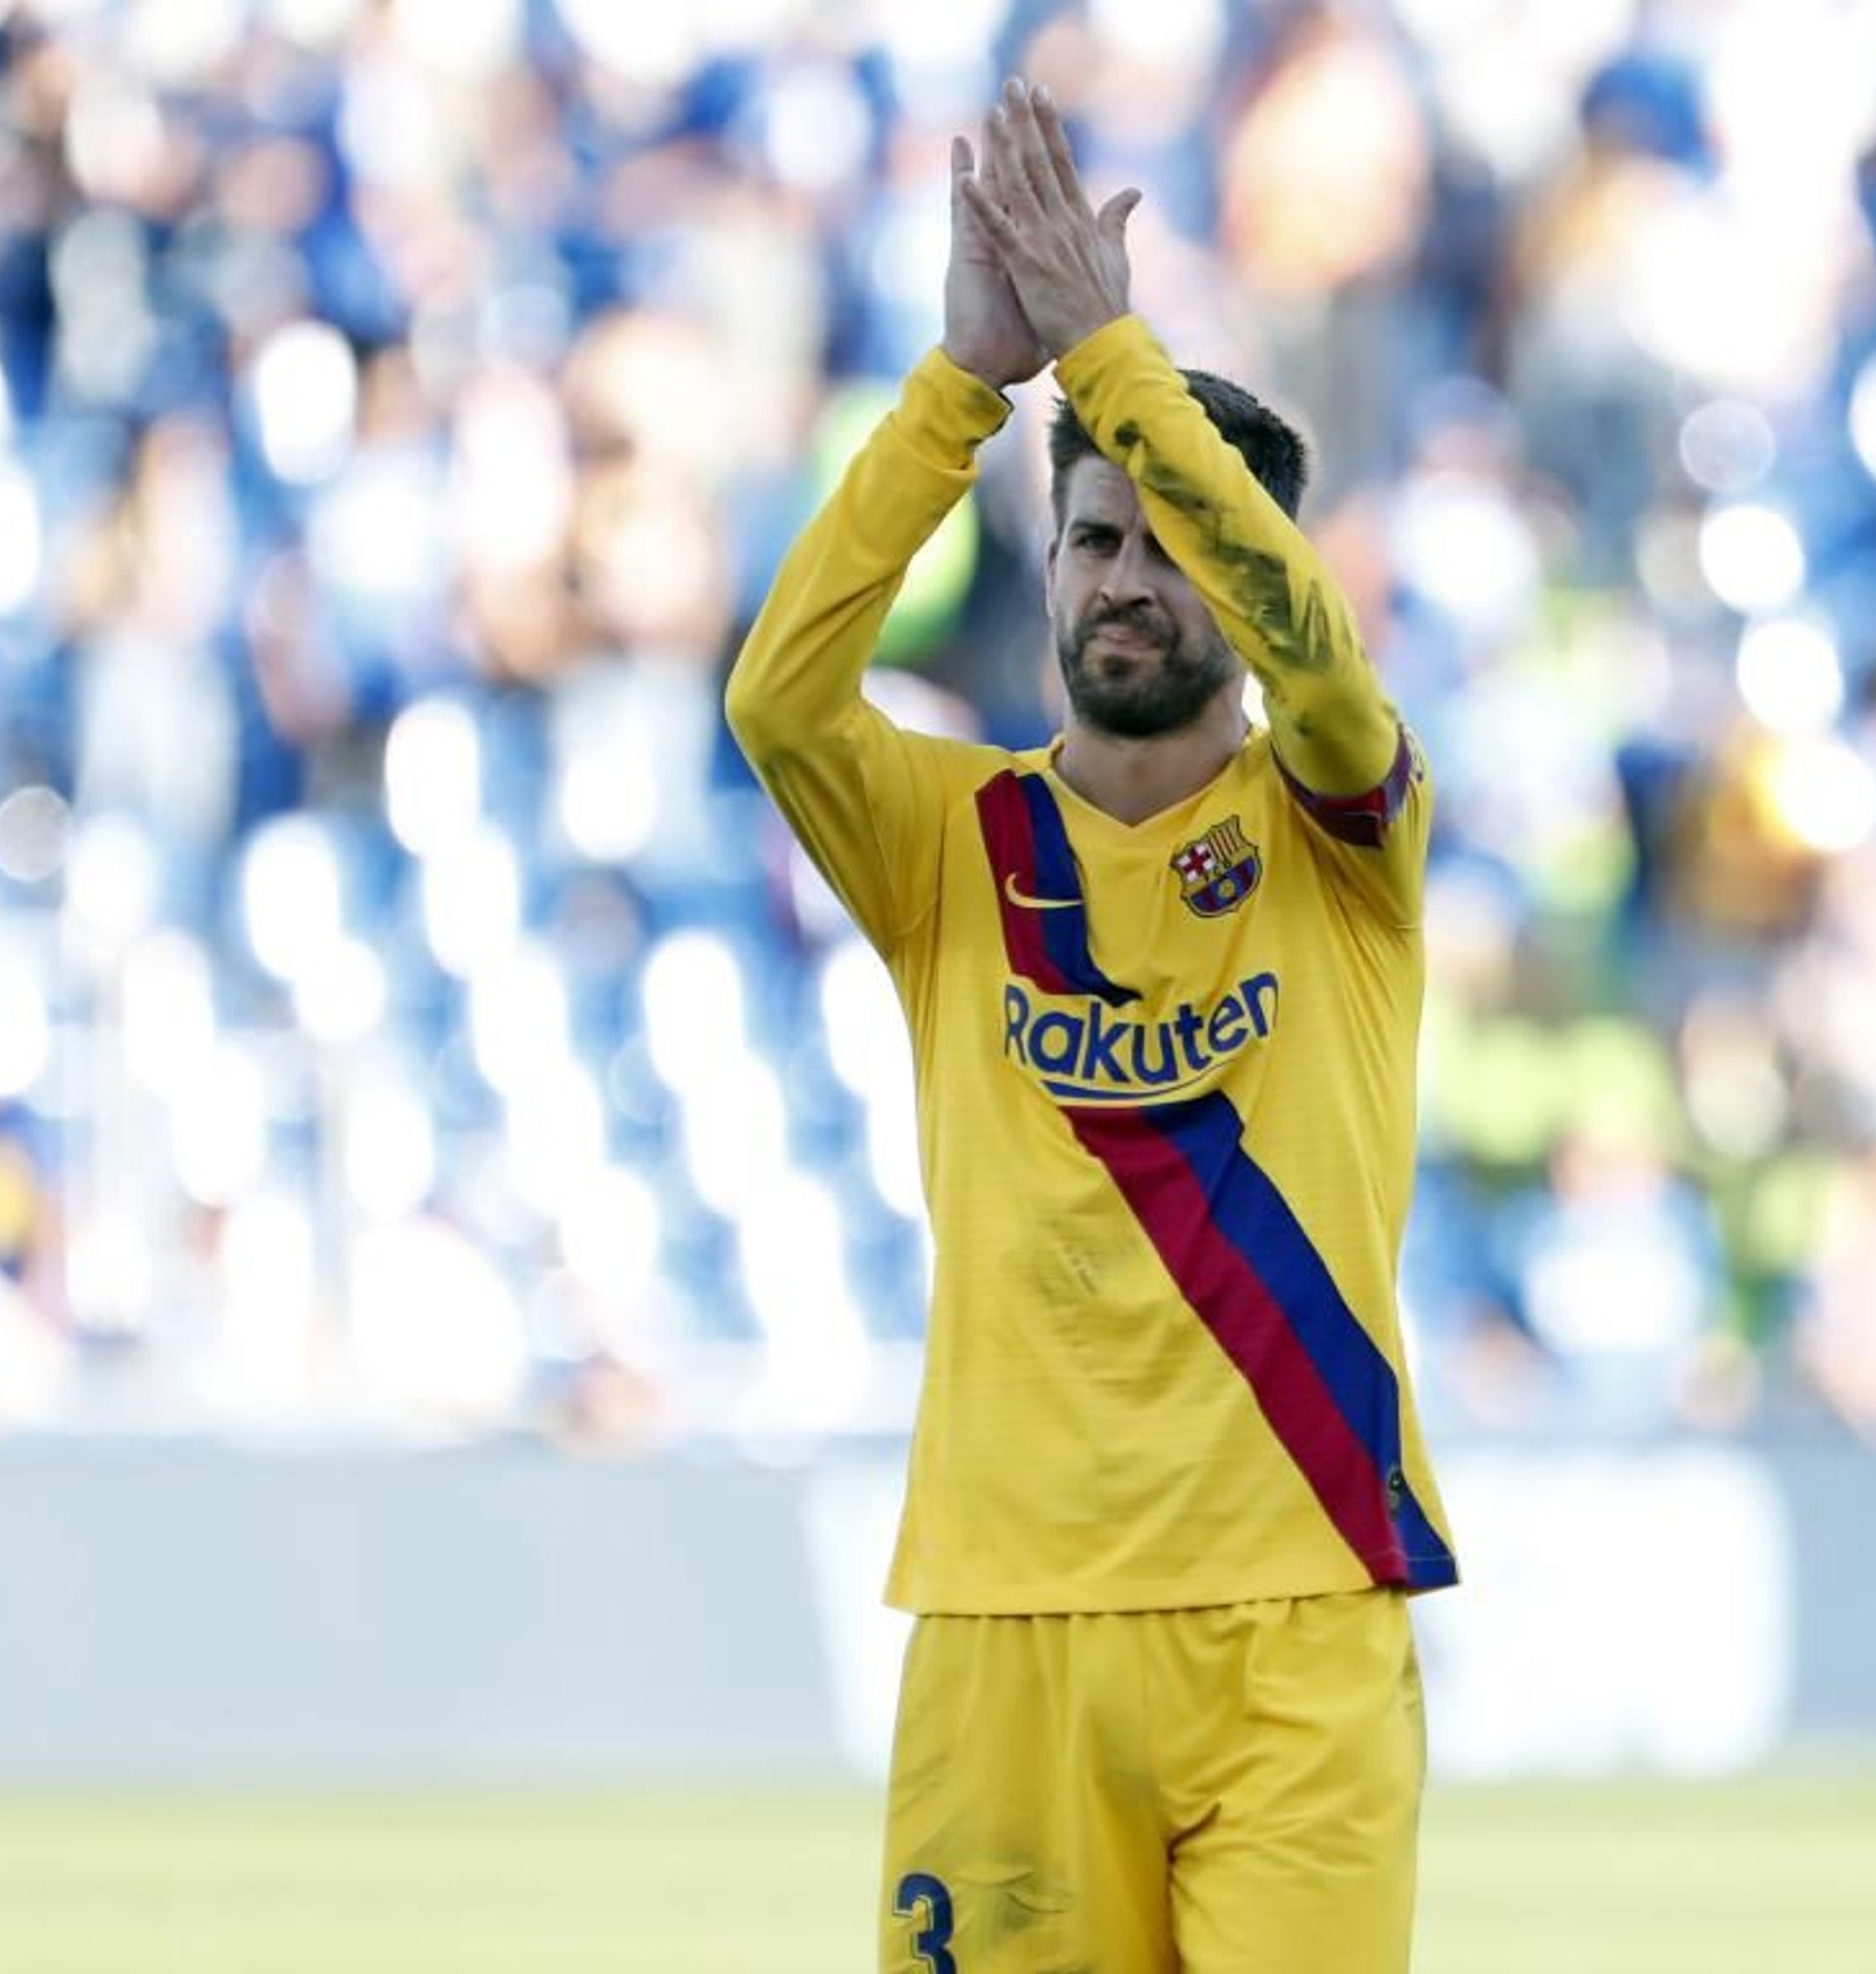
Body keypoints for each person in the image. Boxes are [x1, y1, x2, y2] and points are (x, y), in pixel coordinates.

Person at [726, 78, 1456, 1974]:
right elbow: (780, 698)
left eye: (1167, 545)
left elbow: (1318, 649)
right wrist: (966, 386)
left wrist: (1111, 362)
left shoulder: (1340, 827)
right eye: (1092, 544)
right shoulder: (948, 844)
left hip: (1299, 1614)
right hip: (1011, 1621)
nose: (1126, 582)